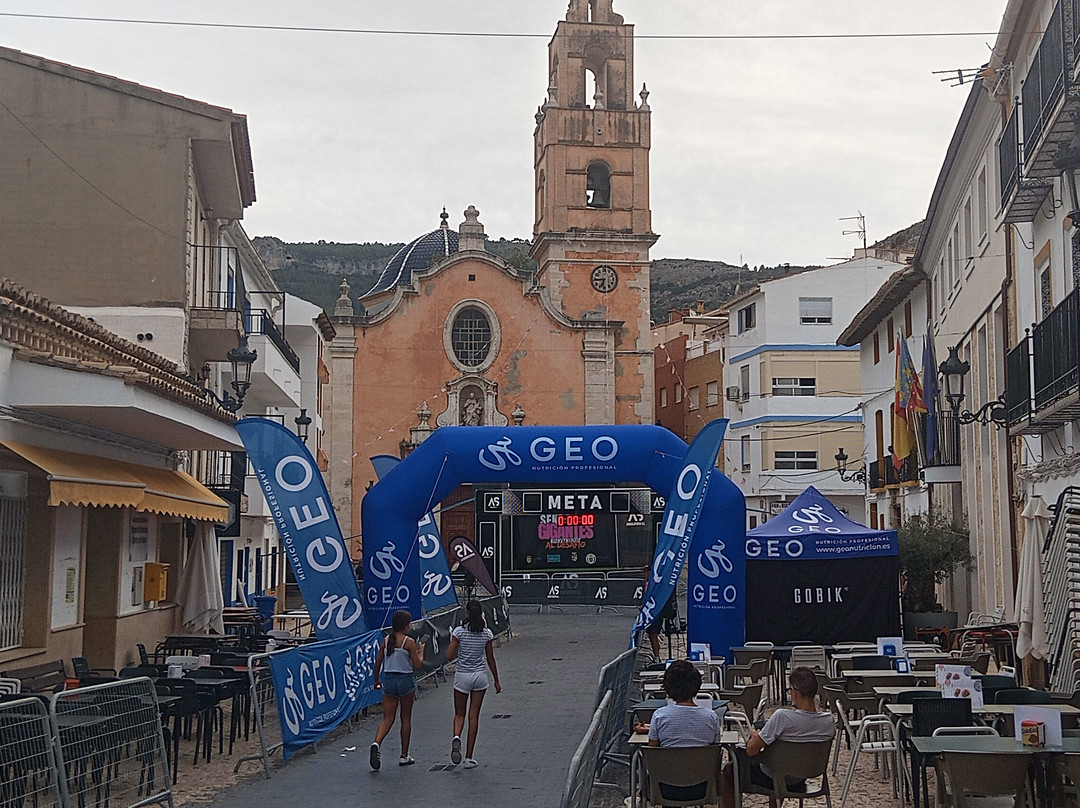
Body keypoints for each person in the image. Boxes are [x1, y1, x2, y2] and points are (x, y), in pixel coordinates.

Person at [721, 665, 834, 808]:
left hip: (775, 777)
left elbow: (751, 750)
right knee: (776, 760)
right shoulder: (828, 721)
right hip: (802, 776)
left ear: (795, 692)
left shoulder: (782, 717)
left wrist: (756, 736)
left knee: (730, 770)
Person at [633, 659, 720, 806]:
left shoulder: (659, 716)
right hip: (701, 787)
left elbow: (653, 748)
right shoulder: (711, 717)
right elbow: (715, 749)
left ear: (668, 687)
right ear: (697, 685)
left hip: (665, 788)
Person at [446, 599, 501, 769]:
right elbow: (490, 659)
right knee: (474, 716)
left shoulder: (459, 632)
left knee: (459, 714)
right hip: (480, 676)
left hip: (462, 675)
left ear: (467, 612)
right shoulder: (486, 633)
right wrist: (496, 680)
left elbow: (449, 655)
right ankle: (469, 757)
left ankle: (456, 736)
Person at [370, 609, 425, 770]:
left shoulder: (386, 641)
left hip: (389, 679)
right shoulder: (408, 642)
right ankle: (404, 755)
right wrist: (421, 652)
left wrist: (376, 681)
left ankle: (376, 743)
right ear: (406, 626)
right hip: (405, 680)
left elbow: (377, 663)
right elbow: (417, 664)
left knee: (387, 718)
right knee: (405, 717)